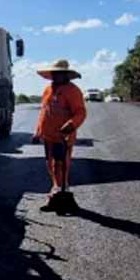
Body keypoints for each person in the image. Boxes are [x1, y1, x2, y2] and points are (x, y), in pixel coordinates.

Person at [33, 60, 87, 212]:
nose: (56, 76)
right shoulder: (48, 89)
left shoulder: (72, 91)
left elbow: (80, 112)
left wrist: (70, 126)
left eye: (59, 73)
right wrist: (37, 132)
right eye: (54, 73)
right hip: (48, 136)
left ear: (66, 74)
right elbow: (44, 112)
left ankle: (61, 195)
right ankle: (57, 194)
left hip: (63, 137)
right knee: (50, 165)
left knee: (61, 166)